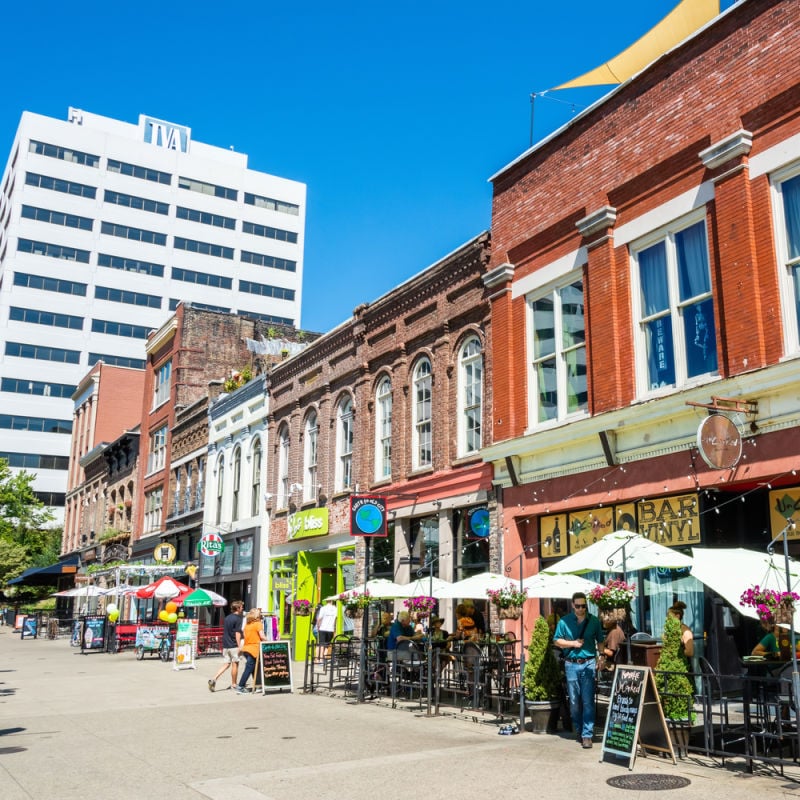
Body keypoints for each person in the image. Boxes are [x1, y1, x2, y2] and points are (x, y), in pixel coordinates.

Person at [554, 591, 604, 749]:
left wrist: (601, 656)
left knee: (588, 700)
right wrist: (573, 644)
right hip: (571, 664)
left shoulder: (594, 621)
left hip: (588, 662)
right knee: (575, 701)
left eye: (584, 606)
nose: (581, 609)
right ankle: (580, 728)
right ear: (573, 605)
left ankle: (587, 734)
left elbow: (600, 641)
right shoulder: (564, 621)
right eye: (578, 606)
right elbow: (557, 641)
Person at [208, 600, 244, 692]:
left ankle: (214, 678)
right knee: (235, 664)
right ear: (238, 608)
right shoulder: (238, 619)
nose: (242, 608)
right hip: (234, 645)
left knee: (226, 664)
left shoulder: (227, 618)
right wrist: (239, 645)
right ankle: (234, 684)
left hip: (226, 644)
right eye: (241, 607)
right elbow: (237, 633)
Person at [236, 608, 267, 694]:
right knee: (249, 668)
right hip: (254, 649)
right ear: (257, 615)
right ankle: (240, 686)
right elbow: (262, 636)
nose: (261, 615)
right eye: (259, 614)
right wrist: (268, 640)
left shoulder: (247, 625)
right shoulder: (258, 624)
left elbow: (245, 636)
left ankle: (258, 685)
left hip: (246, 649)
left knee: (254, 668)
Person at [315, 599, 338, 663]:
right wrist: (334, 629)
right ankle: (324, 658)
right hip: (330, 629)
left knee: (322, 644)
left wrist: (318, 626)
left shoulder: (323, 608)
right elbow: (335, 619)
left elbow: (319, 619)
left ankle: (321, 659)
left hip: (323, 628)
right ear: (332, 601)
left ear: (326, 601)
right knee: (327, 645)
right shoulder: (335, 609)